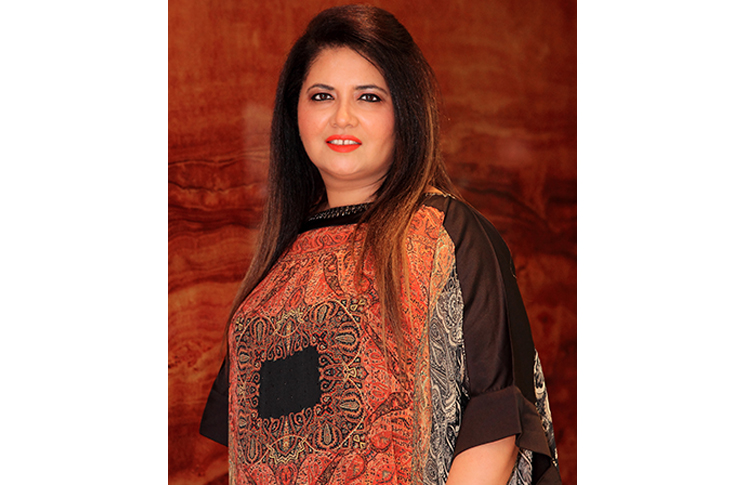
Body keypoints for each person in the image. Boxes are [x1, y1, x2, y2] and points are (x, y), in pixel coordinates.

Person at [200, 5, 561, 484]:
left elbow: (496, 429)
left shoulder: (449, 237)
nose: (342, 117)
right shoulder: (272, 278)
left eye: (369, 97)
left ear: (404, 113)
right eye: (322, 96)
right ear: (294, 114)